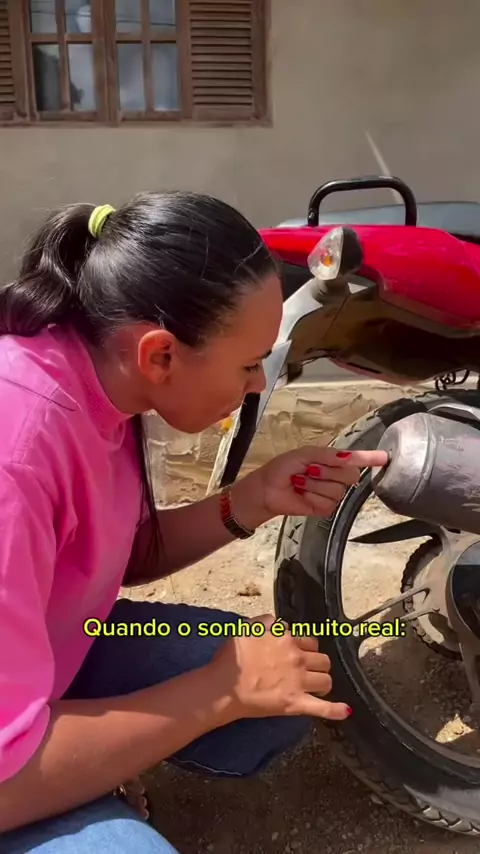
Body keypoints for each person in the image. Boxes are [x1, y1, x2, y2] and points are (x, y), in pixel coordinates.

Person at [0, 192, 388, 853]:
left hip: (47, 662)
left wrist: (256, 497)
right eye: (249, 364)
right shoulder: (18, 451)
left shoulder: (102, 379)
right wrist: (218, 693)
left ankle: (78, 766)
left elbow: (112, 556)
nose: (258, 384)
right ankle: (73, 778)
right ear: (160, 355)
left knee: (285, 687)